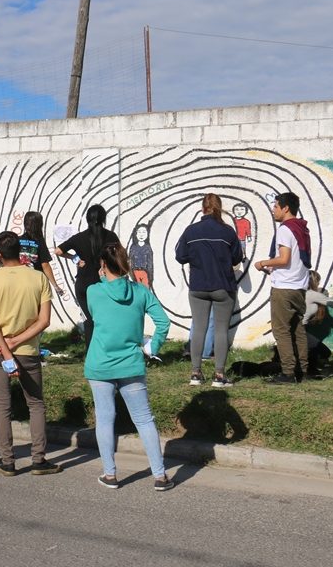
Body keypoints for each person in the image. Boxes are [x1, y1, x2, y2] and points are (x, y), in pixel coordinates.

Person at [86, 243, 174, 491]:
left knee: (104, 420)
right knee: (144, 420)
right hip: (131, 364)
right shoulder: (141, 291)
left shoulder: (94, 291)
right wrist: (152, 347)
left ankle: (110, 474)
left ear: (103, 266)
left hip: (100, 363)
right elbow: (163, 322)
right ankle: (160, 475)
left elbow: (94, 316)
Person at [0, 231, 62, 477]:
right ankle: (38, 460)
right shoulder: (38, 278)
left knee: (2, 405)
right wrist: (17, 340)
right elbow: (44, 320)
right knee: (35, 404)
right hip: (28, 350)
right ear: (21, 251)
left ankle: (8, 461)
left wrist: (6, 350)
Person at [174, 194, 244, 387]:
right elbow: (237, 258)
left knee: (199, 327)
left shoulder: (191, 231)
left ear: (202, 208)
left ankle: (195, 373)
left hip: (198, 286)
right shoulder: (228, 231)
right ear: (220, 208)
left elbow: (180, 256)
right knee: (221, 330)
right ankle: (219, 376)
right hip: (223, 286)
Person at [255, 192, 311, 384]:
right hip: (300, 286)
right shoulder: (302, 228)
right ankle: (303, 370)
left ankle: (288, 373)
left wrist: (263, 262)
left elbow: (284, 258)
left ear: (285, 208)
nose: (273, 209)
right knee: (298, 329)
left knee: (281, 330)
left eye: (276, 206)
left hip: (284, 287)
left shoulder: (285, 229)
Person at [55, 204, 120, 348]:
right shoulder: (111, 236)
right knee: (105, 319)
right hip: (104, 283)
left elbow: (58, 251)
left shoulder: (79, 237)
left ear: (87, 219)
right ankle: (107, 348)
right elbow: (120, 255)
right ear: (103, 219)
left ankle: (91, 352)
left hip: (84, 284)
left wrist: (75, 259)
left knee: (89, 321)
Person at [20, 211, 65, 297]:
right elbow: (45, 265)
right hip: (35, 281)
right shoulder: (39, 241)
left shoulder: (19, 240)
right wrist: (56, 286)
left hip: (20, 280)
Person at [127, 223, 154, 288]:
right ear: (136, 234)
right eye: (139, 232)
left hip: (145, 273)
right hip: (134, 273)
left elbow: (150, 264)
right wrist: (131, 274)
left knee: (145, 291)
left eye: (144, 232)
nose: (141, 235)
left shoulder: (148, 248)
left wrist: (150, 277)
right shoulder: (133, 247)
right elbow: (130, 262)